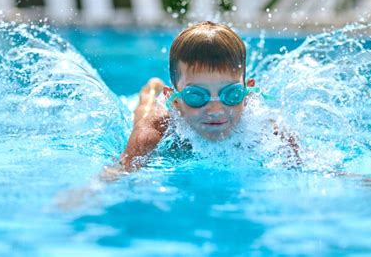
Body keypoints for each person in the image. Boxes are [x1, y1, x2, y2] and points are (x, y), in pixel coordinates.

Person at [114, 21, 299, 173]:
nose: (216, 110)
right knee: (144, 111)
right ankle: (152, 89)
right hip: (155, 114)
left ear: (246, 95)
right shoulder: (156, 129)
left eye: (231, 94)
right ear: (176, 101)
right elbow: (117, 173)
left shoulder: (266, 128)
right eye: (196, 96)